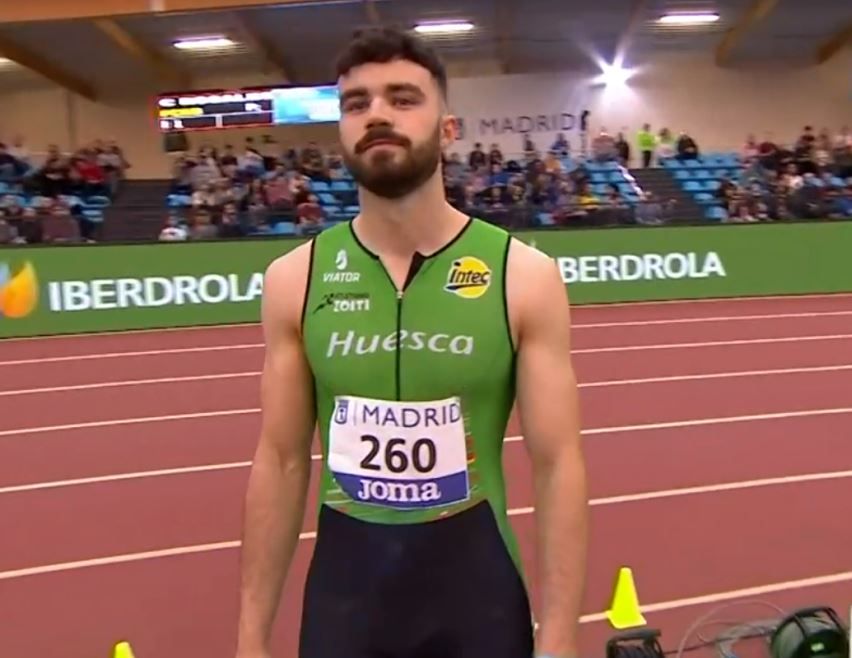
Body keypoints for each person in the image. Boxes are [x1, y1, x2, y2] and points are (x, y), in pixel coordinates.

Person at [236, 26, 588, 658]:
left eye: (403, 99)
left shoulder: (523, 277)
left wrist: (559, 637)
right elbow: (282, 461)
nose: (377, 116)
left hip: (476, 597)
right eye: (357, 103)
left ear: (447, 130)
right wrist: (251, 638)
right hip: (347, 601)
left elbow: (557, 465)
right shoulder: (294, 280)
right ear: (340, 132)